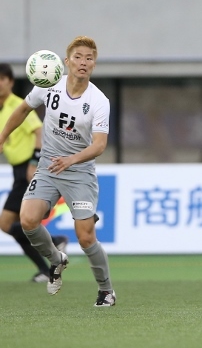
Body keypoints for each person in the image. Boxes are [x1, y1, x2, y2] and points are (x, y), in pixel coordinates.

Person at [0, 36, 116, 307]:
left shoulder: (99, 101)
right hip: (49, 166)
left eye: (89, 58)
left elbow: (99, 145)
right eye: (78, 57)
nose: (83, 62)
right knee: (28, 220)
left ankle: (106, 290)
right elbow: (23, 110)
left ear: (94, 64)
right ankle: (56, 259)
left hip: (80, 172)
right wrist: (3, 136)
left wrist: (71, 160)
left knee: (86, 237)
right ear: (67, 61)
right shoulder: (48, 84)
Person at [0, 63, 68, 283]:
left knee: (7, 223)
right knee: (15, 225)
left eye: (3, 79)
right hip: (17, 171)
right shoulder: (1, 108)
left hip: (27, 168)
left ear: (11, 82)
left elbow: (39, 131)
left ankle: (53, 245)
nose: (0, 84)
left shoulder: (17, 104)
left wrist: (33, 162)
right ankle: (48, 260)